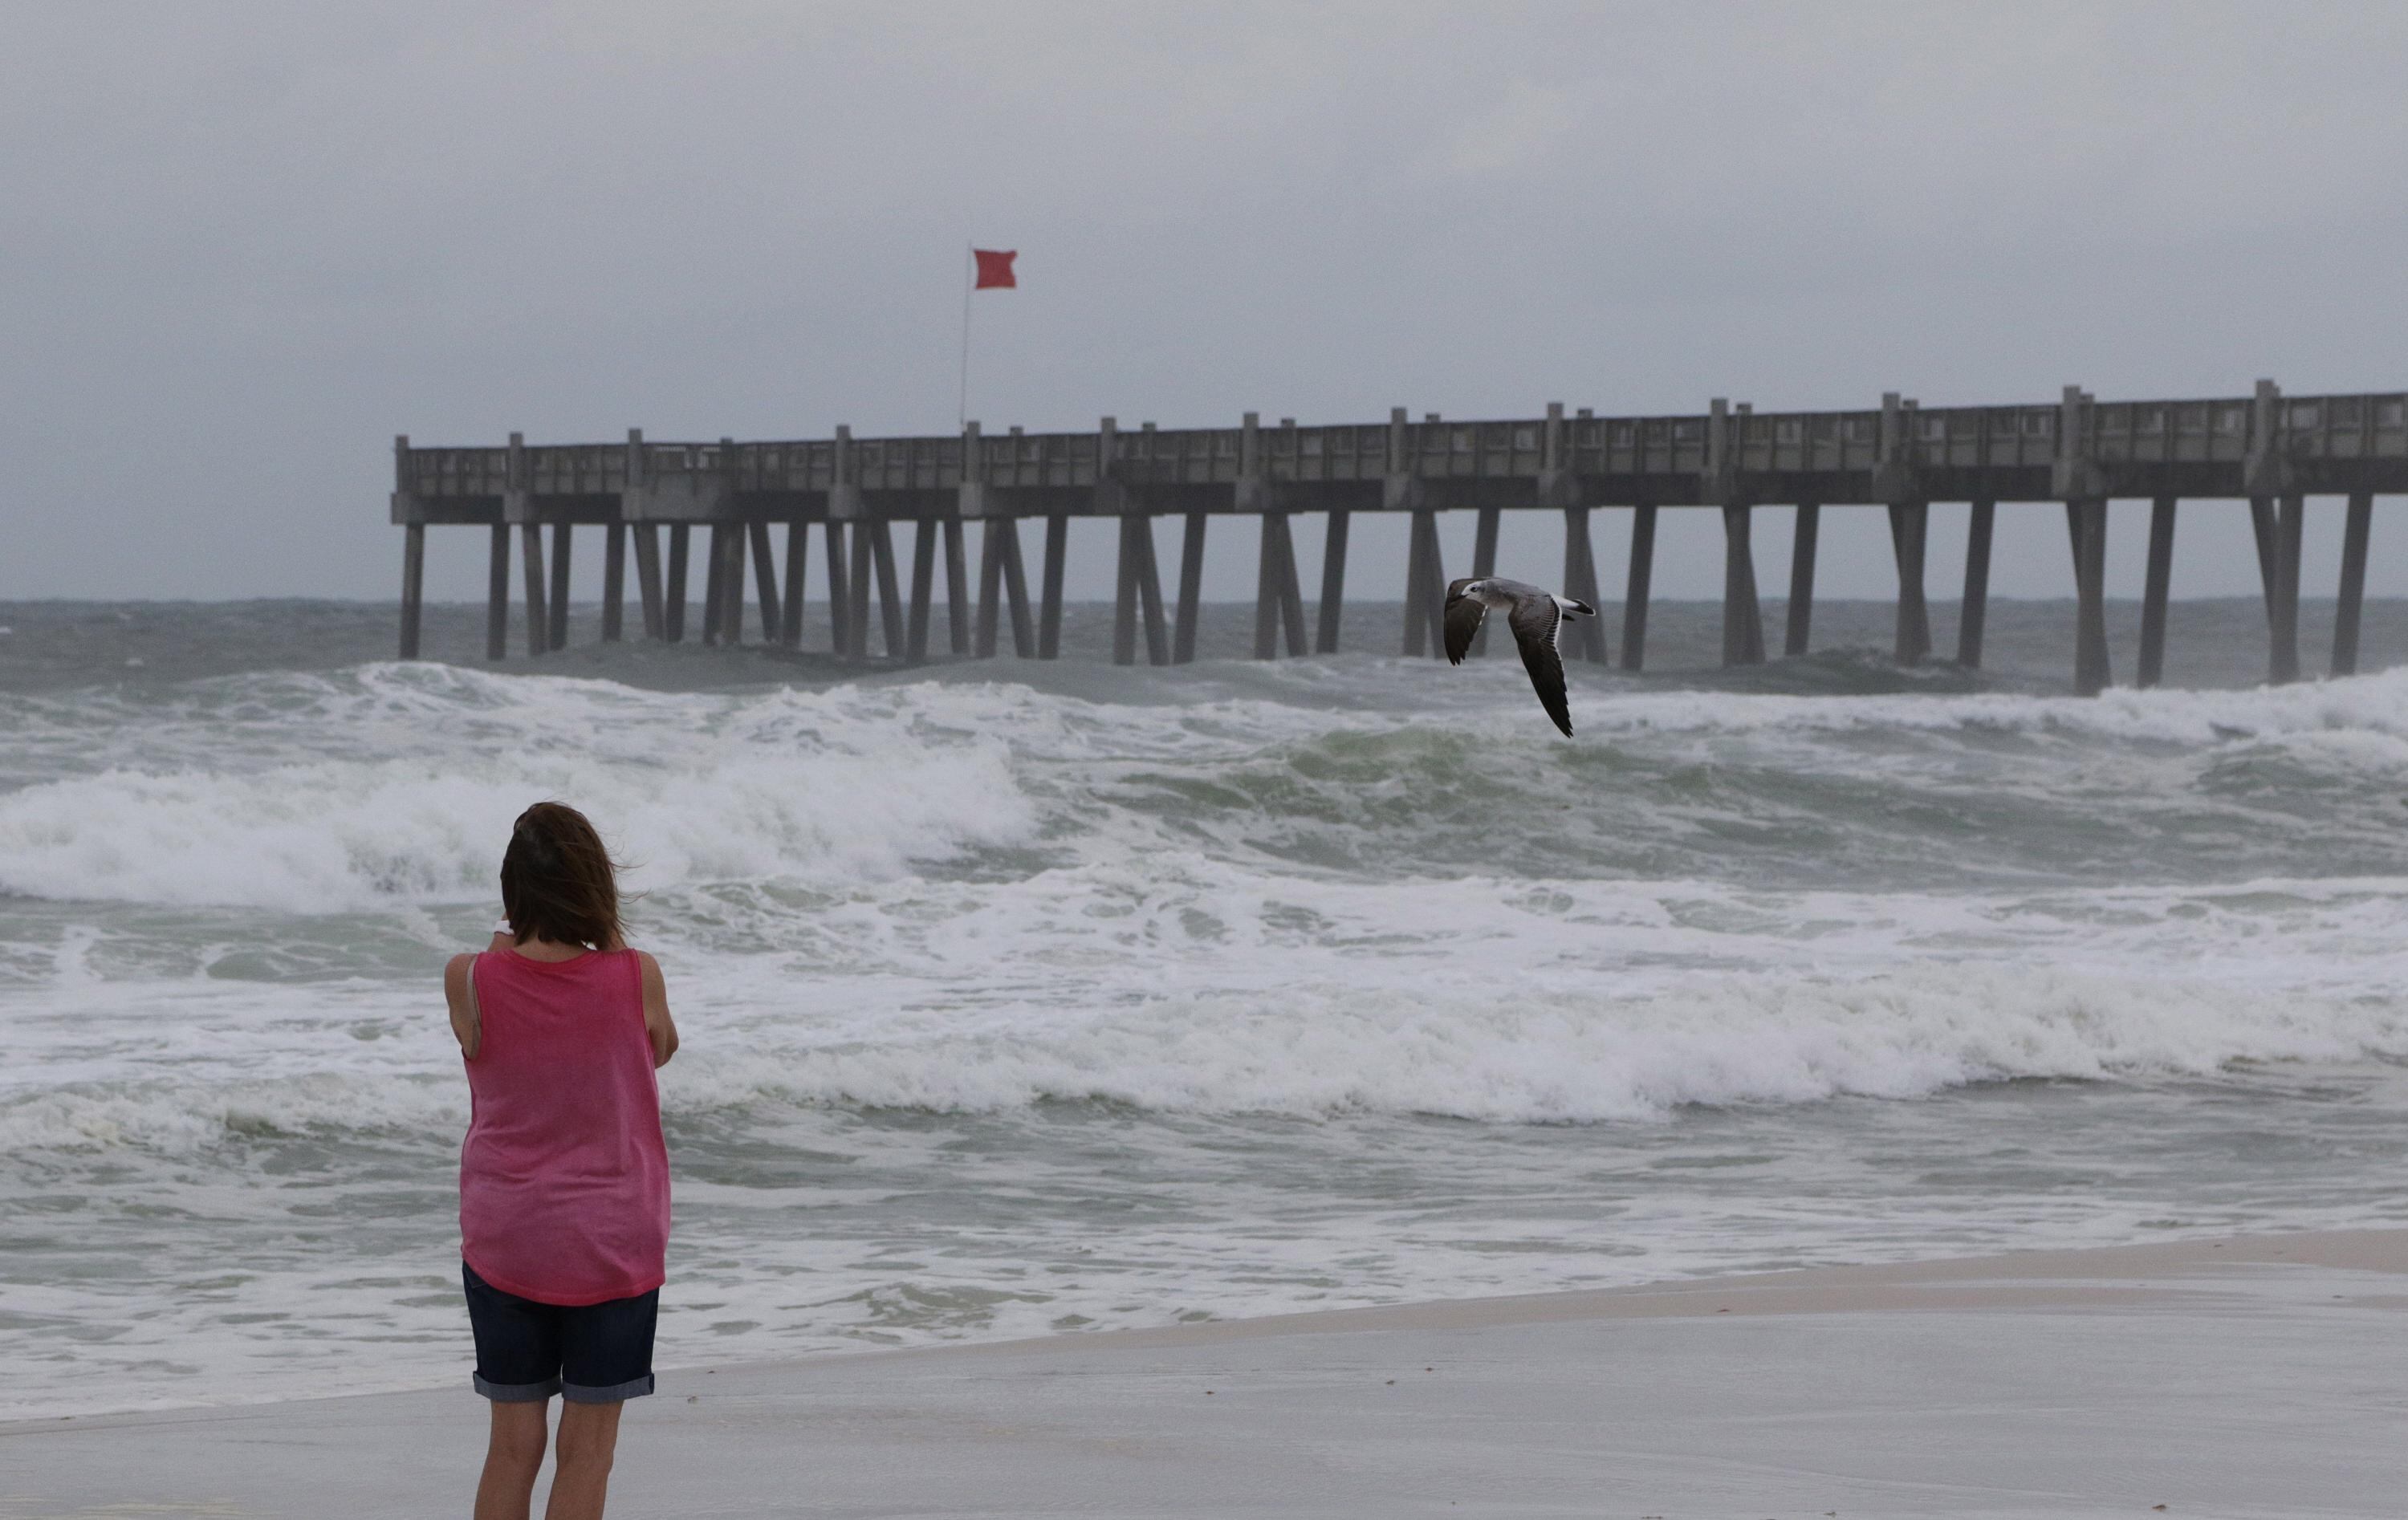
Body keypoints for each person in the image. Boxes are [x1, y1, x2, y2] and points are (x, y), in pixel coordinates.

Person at [443, 803, 679, 1520]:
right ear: (594, 889)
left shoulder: (468, 978)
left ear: (514, 890)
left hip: (507, 1235)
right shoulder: (635, 975)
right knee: (588, 1451)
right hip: (611, 1240)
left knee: (512, 1447)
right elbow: (660, 1049)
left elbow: (495, 984)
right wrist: (605, 935)